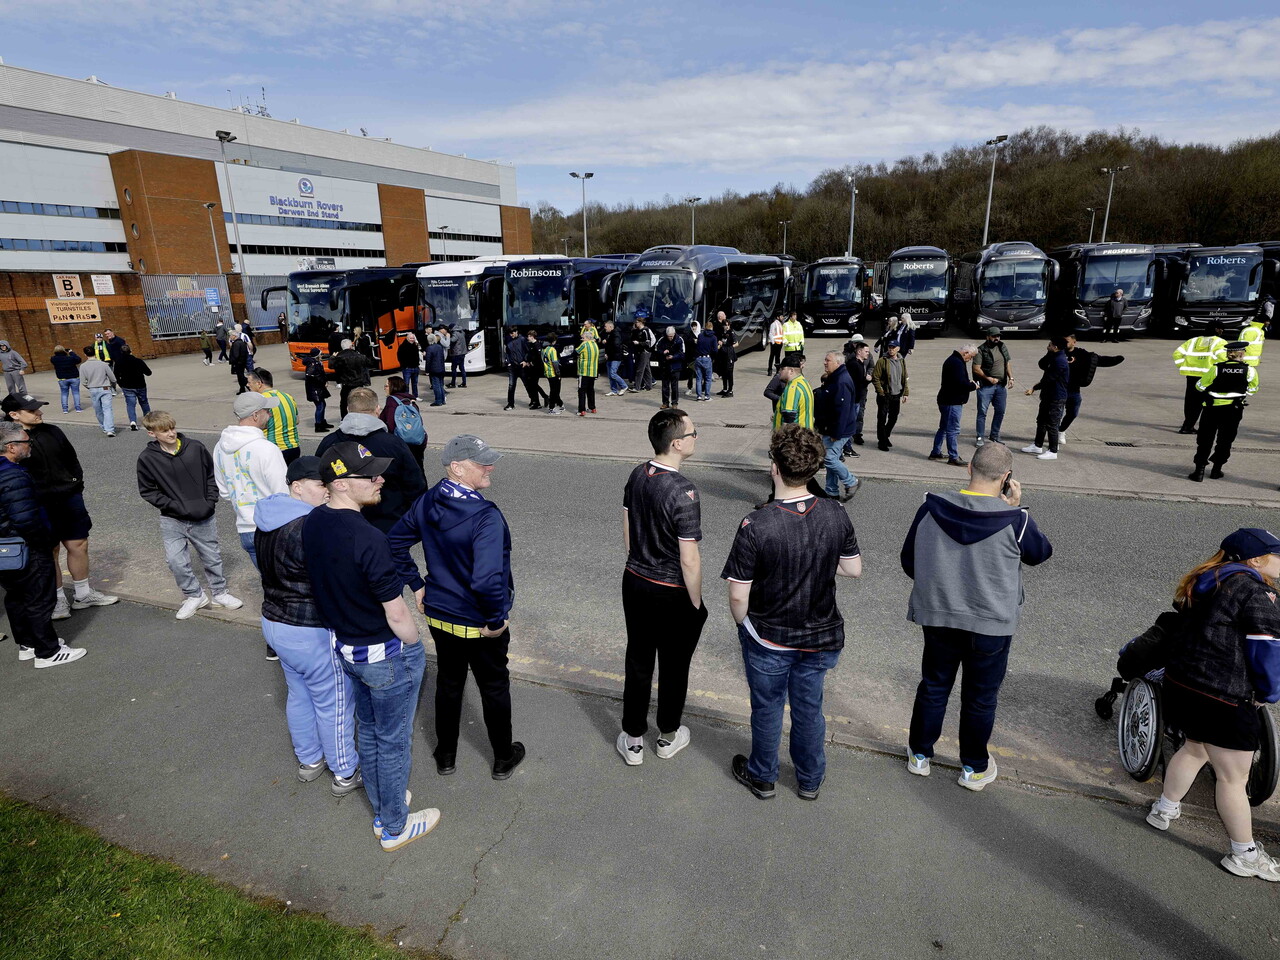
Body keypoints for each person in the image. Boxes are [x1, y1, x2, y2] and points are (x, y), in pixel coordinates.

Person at [304, 442, 439, 852]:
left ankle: (386, 801)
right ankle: (394, 826)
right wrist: (416, 648)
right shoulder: (369, 537)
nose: (381, 479)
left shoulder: (313, 521)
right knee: (394, 740)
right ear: (342, 484)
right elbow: (397, 614)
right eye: (371, 475)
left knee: (372, 732)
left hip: (348, 649)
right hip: (386, 656)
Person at [901, 441, 1052, 790]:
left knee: (934, 685)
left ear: (969, 468)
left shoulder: (930, 508)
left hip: (939, 615)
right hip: (991, 624)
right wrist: (1013, 506)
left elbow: (910, 562)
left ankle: (920, 755)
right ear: (1006, 478)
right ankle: (973, 767)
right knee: (980, 696)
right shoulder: (1016, 519)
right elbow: (1040, 553)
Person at [724, 426, 862, 800]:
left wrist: (745, 626)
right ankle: (809, 779)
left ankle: (763, 777)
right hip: (820, 637)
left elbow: (739, 597)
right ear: (815, 468)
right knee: (809, 709)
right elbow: (852, 569)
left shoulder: (757, 523)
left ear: (774, 468)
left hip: (770, 636)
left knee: (767, 709)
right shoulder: (835, 513)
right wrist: (817, 560)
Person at [1144, 528, 1280, 881]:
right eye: (1277, 554)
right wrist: (1268, 693)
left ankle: (1164, 808)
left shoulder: (1204, 579)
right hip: (1225, 696)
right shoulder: (1256, 592)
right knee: (1233, 778)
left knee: (1194, 748)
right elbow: (1266, 652)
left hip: (1183, 684)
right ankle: (1244, 853)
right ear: (1256, 560)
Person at [388, 435, 525, 781]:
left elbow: (395, 542)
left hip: (439, 615)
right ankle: (502, 757)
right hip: (479, 623)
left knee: (449, 681)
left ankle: (446, 754)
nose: (490, 468)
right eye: (483, 464)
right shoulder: (485, 516)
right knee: (493, 686)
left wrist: (418, 585)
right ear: (458, 468)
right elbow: (487, 580)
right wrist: (495, 620)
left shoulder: (429, 499)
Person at [255, 455, 360, 794]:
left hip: (274, 621)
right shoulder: (310, 527)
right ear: (297, 487)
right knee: (335, 702)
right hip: (310, 628)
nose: (328, 492)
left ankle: (310, 759)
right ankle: (345, 772)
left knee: (299, 694)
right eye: (320, 485)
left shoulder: (268, 518)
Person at [617, 408, 707, 765]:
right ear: (677, 444)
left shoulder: (638, 473)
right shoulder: (684, 491)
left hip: (636, 579)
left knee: (638, 658)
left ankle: (633, 738)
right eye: (693, 433)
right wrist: (695, 602)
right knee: (674, 664)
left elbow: (627, 523)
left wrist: (638, 558)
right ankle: (668, 735)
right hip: (671, 590)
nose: (696, 437)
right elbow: (690, 559)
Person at [2, 395, 117, 620]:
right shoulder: (8, 440)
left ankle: (83, 594)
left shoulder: (53, 430)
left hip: (68, 497)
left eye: (38, 409)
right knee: (49, 551)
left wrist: (76, 482)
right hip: (38, 504)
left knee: (79, 544)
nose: (39, 413)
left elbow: (71, 458)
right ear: (14, 415)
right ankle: (58, 601)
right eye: (32, 410)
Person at [136, 411, 242, 620]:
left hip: (204, 515)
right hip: (171, 518)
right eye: (165, 430)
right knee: (175, 561)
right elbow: (147, 490)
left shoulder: (196, 447)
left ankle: (220, 593)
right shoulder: (147, 458)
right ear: (151, 434)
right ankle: (194, 595)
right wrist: (172, 506)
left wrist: (210, 500)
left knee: (211, 558)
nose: (171, 433)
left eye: (172, 428)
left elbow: (212, 475)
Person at [0, 421, 86, 668]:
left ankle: (28, 644)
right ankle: (48, 652)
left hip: (6, 551)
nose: (31, 445)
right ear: (12, 447)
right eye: (27, 442)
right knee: (39, 598)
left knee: (16, 598)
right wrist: (43, 542)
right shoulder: (13, 476)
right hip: (26, 548)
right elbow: (25, 519)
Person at [316, 386, 425, 532]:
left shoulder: (329, 443)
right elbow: (415, 485)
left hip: (341, 526)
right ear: (378, 409)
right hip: (389, 524)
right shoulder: (394, 444)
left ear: (348, 409)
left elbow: (318, 481)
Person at [214, 392, 288, 567]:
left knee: (268, 584)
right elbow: (283, 494)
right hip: (272, 528)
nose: (269, 415)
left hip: (245, 528)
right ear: (256, 415)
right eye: (267, 411)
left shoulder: (219, 447)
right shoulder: (266, 448)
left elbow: (224, 491)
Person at [1189, 340, 1257, 482]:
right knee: (1225, 440)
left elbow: (1199, 386)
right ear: (1242, 354)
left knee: (1205, 439)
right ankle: (1216, 470)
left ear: (1228, 354)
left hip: (1212, 408)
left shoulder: (1216, 368)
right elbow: (1252, 390)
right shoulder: (1249, 370)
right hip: (1233, 410)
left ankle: (1199, 471)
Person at [1057, 334, 1124, 443]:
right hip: (1059, 389)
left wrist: (1116, 360)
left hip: (1074, 390)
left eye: (1067, 341)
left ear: (1074, 342)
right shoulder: (1058, 352)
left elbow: (1098, 360)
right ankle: (1053, 435)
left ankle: (1061, 430)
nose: (1065, 343)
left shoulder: (1082, 354)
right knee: (1057, 414)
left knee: (1073, 413)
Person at [814, 352, 858, 501]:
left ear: (838, 363)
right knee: (832, 458)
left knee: (828, 458)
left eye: (828, 360)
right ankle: (831, 491)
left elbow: (842, 410)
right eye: (825, 360)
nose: (825, 363)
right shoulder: (835, 377)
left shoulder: (841, 381)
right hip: (831, 428)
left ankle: (851, 482)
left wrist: (836, 433)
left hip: (839, 430)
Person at [1173, 322, 1227, 434]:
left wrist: (1183, 365)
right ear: (1217, 329)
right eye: (1221, 329)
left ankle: (1187, 426)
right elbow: (1223, 358)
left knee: (1191, 402)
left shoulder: (1193, 341)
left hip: (1191, 375)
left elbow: (1177, 354)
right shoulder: (1219, 342)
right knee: (1209, 403)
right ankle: (1204, 427)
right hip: (1209, 377)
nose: (1222, 331)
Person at [929, 342, 978, 467]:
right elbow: (960, 384)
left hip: (946, 400)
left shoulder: (954, 360)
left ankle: (936, 452)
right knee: (953, 430)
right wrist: (973, 385)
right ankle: (953, 456)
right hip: (952, 401)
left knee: (944, 427)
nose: (970, 359)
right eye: (970, 356)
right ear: (965, 353)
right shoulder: (956, 363)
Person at [1021, 338, 1070, 461]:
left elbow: (1049, 379)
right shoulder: (1053, 356)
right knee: (1041, 421)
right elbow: (1042, 364)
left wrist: (1034, 388)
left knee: (1052, 424)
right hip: (1048, 396)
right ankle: (1037, 445)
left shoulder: (1060, 361)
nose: (1047, 346)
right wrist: (1049, 352)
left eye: (1050, 345)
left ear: (1056, 347)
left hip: (1056, 397)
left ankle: (1053, 450)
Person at [248, 368, 301, 465]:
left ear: (259, 383)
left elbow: (254, 426)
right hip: (294, 447)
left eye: (249, 382)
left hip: (274, 449)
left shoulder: (260, 400)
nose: (248, 385)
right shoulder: (287, 396)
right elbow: (297, 420)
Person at [972, 327, 1014, 447]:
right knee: (982, 412)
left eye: (998, 336)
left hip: (1000, 386)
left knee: (1000, 411)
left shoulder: (1002, 346)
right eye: (994, 336)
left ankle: (994, 435)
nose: (997, 338)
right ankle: (980, 437)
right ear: (988, 337)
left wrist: (1011, 378)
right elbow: (976, 368)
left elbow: (1007, 363)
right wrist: (988, 378)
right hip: (986, 386)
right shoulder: (981, 350)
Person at [379, 375, 426, 473]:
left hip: (401, 442)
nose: (384, 388)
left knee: (402, 471)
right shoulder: (410, 400)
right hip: (417, 441)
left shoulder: (391, 400)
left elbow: (390, 423)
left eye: (386, 386)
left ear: (393, 387)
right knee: (418, 469)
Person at [871, 339, 909, 451]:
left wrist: (905, 392)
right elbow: (875, 377)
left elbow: (904, 377)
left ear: (898, 348)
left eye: (893, 347)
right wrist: (881, 391)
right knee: (882, 418)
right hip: (885, 394)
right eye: (889, 347)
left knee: (893, 417)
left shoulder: (901, 361)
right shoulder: (882, 361)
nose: (891, 350)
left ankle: (885, 435)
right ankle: (881, 441)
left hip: (896, 394)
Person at [79, 345, 118, 437]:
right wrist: (112, 384)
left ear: (85, 354)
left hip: (93, 388)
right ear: (95, 353)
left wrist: (89, 386)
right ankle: (110, 429)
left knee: (98, 409)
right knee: (107, 409)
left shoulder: (83, 366)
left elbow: (83, 381)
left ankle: (104, 426)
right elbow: (112, 378)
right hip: (105, 387)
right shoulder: (103, 364)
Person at [113, 344, 152, 431]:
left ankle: (133, 422)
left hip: (127, 386)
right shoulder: (138, 361)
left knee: (130, 404)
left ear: (121, 353)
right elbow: (148, 372)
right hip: (140, 384)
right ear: (130, 351)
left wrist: (120, 383)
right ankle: (149, 421)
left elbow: (116, 375)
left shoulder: (119, 362)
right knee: (144, 402)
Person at [842, 340, 871, 452]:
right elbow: (857, 383)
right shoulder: (854, 365)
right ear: (859, 352)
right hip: (852, 400)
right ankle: (847, 447)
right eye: (866, 351)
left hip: (857, 399)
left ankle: (847, 446)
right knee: (850, 424)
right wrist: (867, 380)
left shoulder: (859, 363)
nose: (868, 353)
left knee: (852, 422)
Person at [331, 338, 372, 418]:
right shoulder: (359, 355)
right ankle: (361, 416)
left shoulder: (340, 357)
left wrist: (333, 357)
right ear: (351, 346)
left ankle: (345, 418)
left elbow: (331, 365)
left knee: (344, 402)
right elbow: (369, 362)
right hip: (358, 382)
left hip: (347, 383)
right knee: (360, 400)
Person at [773, 354, 813, 431]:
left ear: (791, 370)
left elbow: (788, 420)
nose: (779, 371)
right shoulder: (803, 382)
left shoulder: (792, 388)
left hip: (795, 438)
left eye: (782, 369)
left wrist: (781, 439)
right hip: (805, 435)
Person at [303, 348, 332, 433]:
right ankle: (318, 425)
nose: (322, 355)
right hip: (315, 388)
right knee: (320, 406)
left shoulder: (316, 362)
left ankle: (322, 421)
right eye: (320, 354)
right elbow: (311, 375)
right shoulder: (313, 364)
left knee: (322, 404)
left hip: (317, 388)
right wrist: (322, 381)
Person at [1240, 295, 1272, 369]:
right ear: (1263, 322)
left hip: (1252, 361)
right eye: (1267, 321)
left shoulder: (1259, 330)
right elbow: (1243, 345)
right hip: (1247, 361)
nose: (1268, 323)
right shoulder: (1252, 330)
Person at [50, 345, 83, 413]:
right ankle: (78, 408)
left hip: (62, 378)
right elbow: (78, 359)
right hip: (74, 377)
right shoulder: (70, 358)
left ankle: (65, 409)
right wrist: (71, 352)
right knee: (76, 393)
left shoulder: (54, 359)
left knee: (64, 393)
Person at [628, 312, 656, 391]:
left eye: (636, 322)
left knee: (640, 370)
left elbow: (648, 342)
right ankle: (649, 386)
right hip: (639, 351)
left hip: (644, 352)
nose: (635, 323)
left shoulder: (645, 330)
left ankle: (637, 387)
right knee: (646, 369)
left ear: (640, 322)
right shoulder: (637, 330)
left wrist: (639, 343)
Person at [576, 329, 600, 416]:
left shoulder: (584, 344)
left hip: (584, 371)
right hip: (593, 371)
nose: (581, 339)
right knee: (590, 390)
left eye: (582, 337)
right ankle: (592, 407)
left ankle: (581, 410)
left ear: (586, 337)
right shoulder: (595, 345)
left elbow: (576, 351)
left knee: (581, 390)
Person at [540, 332, 565, 415]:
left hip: (547, 372)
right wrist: (558, 373)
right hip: (553, 373)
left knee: (554, 390)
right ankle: (552, 407)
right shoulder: (552, 349)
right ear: (553, 341)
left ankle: (560, 404)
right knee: (555, 391)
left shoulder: (544, 349)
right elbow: (555, 362)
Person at [693, 322, 717, 401]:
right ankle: (707, 396)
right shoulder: (713, 337)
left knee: (699, 378)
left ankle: (699, 396)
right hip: (707, 358)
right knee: (708, 378)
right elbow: (715, 350)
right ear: (712, 327)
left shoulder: (700, 335)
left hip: (698, 358)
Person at [602, 319, 627, 396]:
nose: (604, 328)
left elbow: (615, 345)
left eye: (606, 326)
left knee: (613, 373)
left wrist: (608, 350)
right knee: (610, 374)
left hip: (615, 357)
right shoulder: (610, 334)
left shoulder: (616, 334)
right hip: (611, 356)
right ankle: (614, 390)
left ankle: (624, 386)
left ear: (610, 326)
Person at [715, 313, 737, 398]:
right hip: (723, 355)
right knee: (723, 372)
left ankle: (730, 390)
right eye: (725, 325)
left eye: (728, 325)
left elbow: (736, 343)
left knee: (729, 373)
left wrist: (727, 346)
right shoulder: (723, 333)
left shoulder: (731, 333)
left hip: (729, 355)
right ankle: (724, 389)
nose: (726, 327)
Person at [424, 332, 447, 407]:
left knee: (436, 385)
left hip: (434, 369)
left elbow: (428, 360)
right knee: (440, 385)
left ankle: (438, 401)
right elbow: (442, 358)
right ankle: (443, 400)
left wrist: (427, 370)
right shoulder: (439, 347)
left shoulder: (429, 348)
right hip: (441, 368)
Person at [397, 331, 421, 399]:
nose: (412, 339)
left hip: (415, 368)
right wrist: (404, 365)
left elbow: (417, 356)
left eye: (413, 338)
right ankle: (406, 397)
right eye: (411, 338)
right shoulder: (402, 347)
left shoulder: (415, 346)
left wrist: (417, 365)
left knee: (415, 383)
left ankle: (415, 396)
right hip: (407, 368)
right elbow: (399, 357)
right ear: (407, 338)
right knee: (406, 384)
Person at [228, 328, 251, 395]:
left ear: (234, 336)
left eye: (231, 336)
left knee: (241, 376)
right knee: (239, 376)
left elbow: (236, 354)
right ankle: (242, 388)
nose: (230, 337)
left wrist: (233, 362)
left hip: (238, 363)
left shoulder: (236, 344)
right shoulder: (242, 343)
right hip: (242, 362)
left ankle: (249, 386)